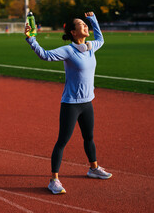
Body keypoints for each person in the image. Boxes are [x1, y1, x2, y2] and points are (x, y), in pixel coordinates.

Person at [24, 12, 112, 195]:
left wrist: (93, 20)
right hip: (71, 104)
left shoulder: (91, 47)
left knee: (89, 137)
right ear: (73, 32)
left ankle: (93, 169)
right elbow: (45, 55)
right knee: (62, 141)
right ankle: (53, 180)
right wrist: (31, 40)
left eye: (85, 24)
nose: (85, 26)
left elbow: (101, 39)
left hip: (87, 103)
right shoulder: (68, 51)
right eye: (82, 24)